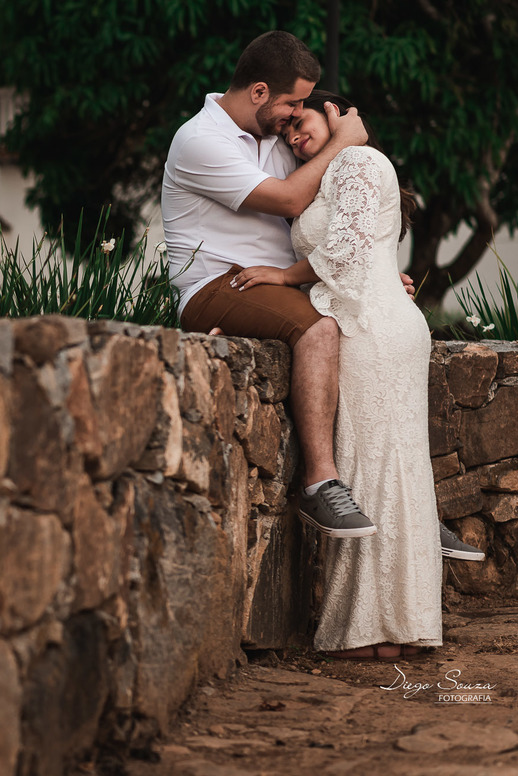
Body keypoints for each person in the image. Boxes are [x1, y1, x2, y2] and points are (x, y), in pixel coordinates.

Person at [231, 91, 442, 658]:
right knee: (381, 469)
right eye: (286, 133)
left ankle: (374, 627)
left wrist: (281, 277)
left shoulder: (359, 160)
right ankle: (394, 626)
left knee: (376, 470)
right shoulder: (331, 174)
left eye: (299, 121)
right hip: (368, 322)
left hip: (375, 332)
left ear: (334, 113)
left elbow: (346, 253)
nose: (293, 136)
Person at [162, 31, 379, 539]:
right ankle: (319, 485)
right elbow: (287, 200)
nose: (297, 114)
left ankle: (395, 492)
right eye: (292, 103)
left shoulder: (277, 140)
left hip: (278, 287)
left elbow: (328, 219)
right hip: (217, 285)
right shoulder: (199, 140)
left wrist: (376, 277)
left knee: (376, 334)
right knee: (320, 329)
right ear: (258, 91)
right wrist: (345, 142)